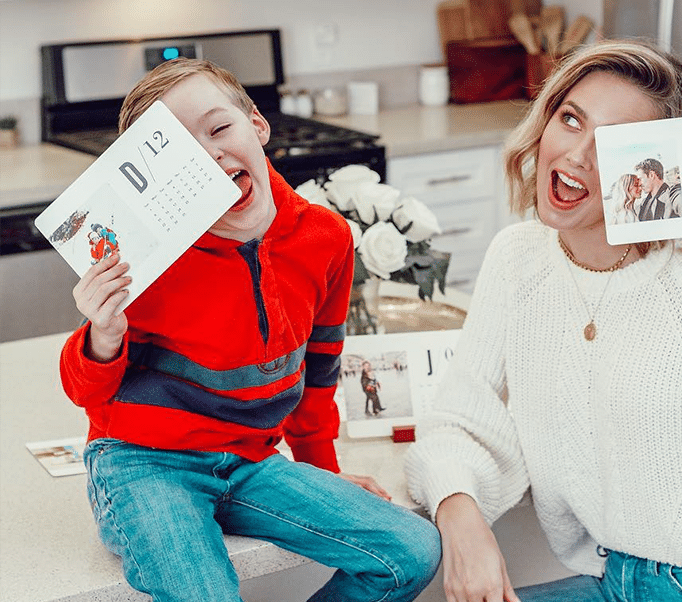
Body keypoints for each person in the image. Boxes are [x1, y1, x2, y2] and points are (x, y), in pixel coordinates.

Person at [404, 39, 682, 602]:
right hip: (609, 581)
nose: (577, 156)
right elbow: (458, 418)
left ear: (653, 172)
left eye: (613, 146)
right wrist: (461, 518)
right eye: (571, 120)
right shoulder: (517, 258)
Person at [60, 58, 440, 602]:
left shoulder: (326, 238)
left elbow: (319, 370)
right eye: (184, 156)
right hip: (144, 463)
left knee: (411, 551)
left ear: (257, 124)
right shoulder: (144, 256)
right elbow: (85, 394)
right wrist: (103, 333)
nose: (210, 154)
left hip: (251, 461)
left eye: (219, 129)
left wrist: (321, 472)